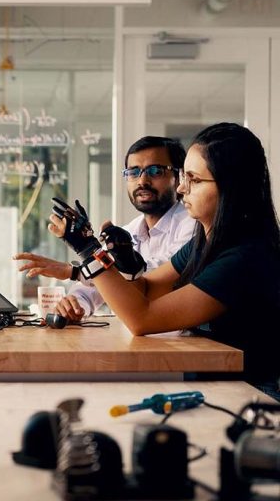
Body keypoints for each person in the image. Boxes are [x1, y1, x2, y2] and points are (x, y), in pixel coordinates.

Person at [48, 123, 280, 398]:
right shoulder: (205, 241)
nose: (182, 188)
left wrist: (88, 250)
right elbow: (146, 291)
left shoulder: (243, 257)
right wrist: (129, 267)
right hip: (214, 384)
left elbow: (142, 318)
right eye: (184, 176)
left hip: (252, 395)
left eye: (194, 179)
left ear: (232, 186)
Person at [14, 136, 195, 320]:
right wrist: (75, 305)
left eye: (155, 171)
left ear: (179, 177)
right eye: (133, 172)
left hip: (182, 344)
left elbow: (151, 279)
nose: (142, 181)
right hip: (133, 342)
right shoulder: (130, 231)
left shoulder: (193, 225)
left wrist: (76, 270)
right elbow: (91, 290)